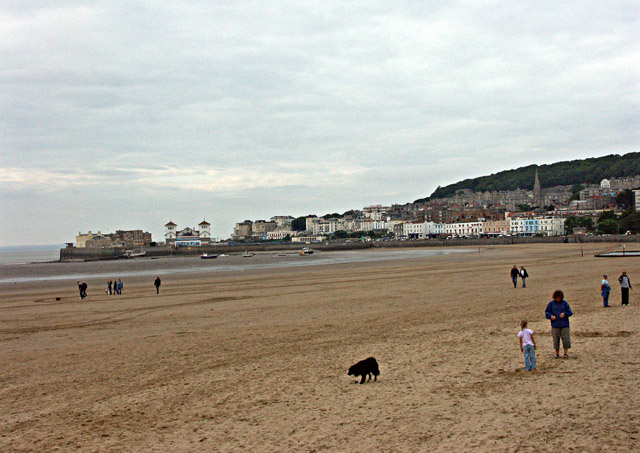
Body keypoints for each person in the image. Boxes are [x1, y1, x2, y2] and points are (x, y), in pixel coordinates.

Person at [545, 290, 573, 358]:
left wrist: (565, 314)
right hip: (555, 325)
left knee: (566, 339)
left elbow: (570, 312)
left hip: (564, 324)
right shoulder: (551, 304)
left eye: (559, 298)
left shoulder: (565, 303)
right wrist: (551, 316)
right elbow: (547, 312)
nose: (558, 299)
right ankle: (557, 354)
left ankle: (565, 353)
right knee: (556, 340)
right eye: (557, 298)